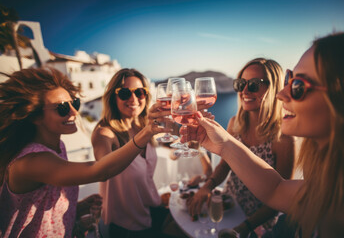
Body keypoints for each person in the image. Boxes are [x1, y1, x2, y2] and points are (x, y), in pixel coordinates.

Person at [182, 31, 344, 238]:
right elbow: (276, 188)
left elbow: (274, 194)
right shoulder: (330, 186)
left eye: (298, 86)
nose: (281, 94)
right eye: (288, 79)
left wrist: (245, 227)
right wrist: (224, 146)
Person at [0, 67, 167, 237]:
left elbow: (42, 204)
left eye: (75, 103)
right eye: (63, 108)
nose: (75, 112)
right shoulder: (31, 161)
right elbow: (100, 170)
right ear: (34, 116)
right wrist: (147, 131)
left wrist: (76, 207)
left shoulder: (58, 148)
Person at [187, 58, 295, 237]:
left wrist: (244, 228)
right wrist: (207, 187)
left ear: (273, 88)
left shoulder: (283, 138)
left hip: (257, 223)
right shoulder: (235, 123)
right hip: (229, 206)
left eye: (253, 84)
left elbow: (280, 199)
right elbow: (224, 165)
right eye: (241, 84)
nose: (244, 91)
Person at [91, 68, 169, 238]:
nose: (134, 99)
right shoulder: (105, 133)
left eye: (140, 92)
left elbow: (171, 141)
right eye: (125, 93)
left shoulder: (143, 127)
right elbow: (103, 168)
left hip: (151, 211)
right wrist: (147, 133)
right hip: (127, 228)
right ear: (113, 97)